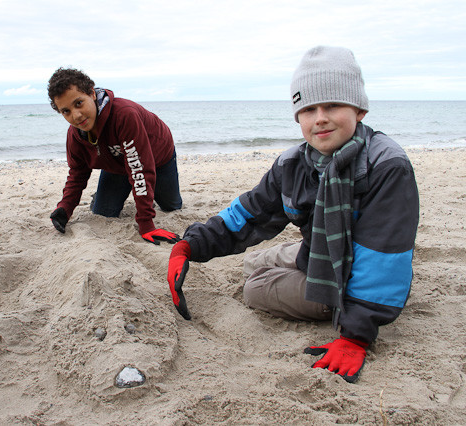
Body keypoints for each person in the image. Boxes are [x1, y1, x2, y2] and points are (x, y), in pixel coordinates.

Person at [166, 46, 419, 383]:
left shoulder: (387, 165)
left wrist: (355, 335)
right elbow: (251, 212)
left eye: (332, 105)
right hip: (319, 251)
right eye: (308, 109)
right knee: (252, 261)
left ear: (359, 110)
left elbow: (384, 253)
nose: (320, 118)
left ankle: (338, 302)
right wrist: (190, 245)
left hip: (353, 278)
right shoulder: (294, 163)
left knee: (254, 288)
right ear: (298, 117)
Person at [47, 68, 182, 245]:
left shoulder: (125, 115)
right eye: (66, 111)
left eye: (79, 103)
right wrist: (65, 207)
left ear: (92, 93)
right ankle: (109, 193)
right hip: (117, 167)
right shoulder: (75, 135)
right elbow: (77, 174)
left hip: (158, 160)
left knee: (171, 206)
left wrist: (146, 225)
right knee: (102, 212)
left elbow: (140, 170)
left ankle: (153, 195)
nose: (76, 115)